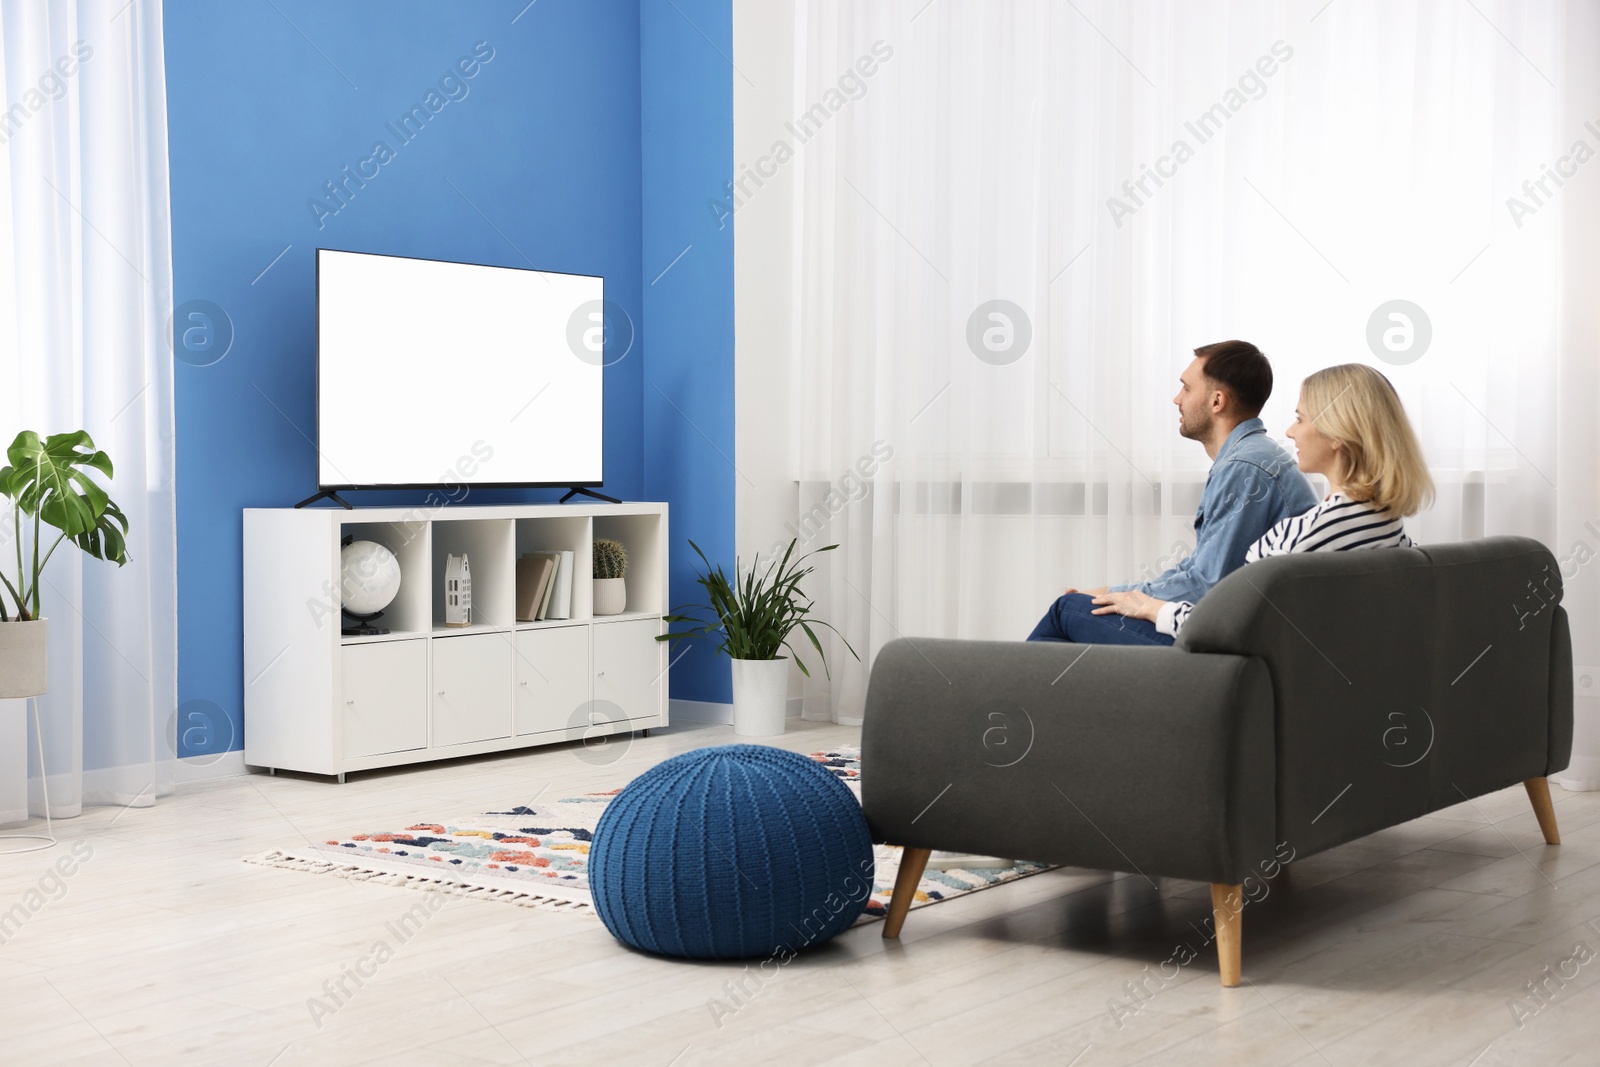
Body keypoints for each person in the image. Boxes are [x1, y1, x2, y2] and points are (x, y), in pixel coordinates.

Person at [1090, 363, 1434, 636]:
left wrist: (1152, 607)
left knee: (1066, 609)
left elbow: (1229, 627)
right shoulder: (1385, 523)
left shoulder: (1313, 532)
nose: (1289, 431)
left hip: (1231, 667)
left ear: (1337, 434)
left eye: (1300, 419)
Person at [1027, 339, 1317, 646]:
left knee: (1065, 611)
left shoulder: (1246, 466)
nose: (1177, 399)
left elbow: (1207, 586)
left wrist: (1122, 597)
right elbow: (1198, 570)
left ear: (1217, 401)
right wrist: (1111, 592)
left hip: (1243, 642)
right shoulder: (1250, 458)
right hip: (1240, 630)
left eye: (1187, 388)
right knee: (1081, 611)